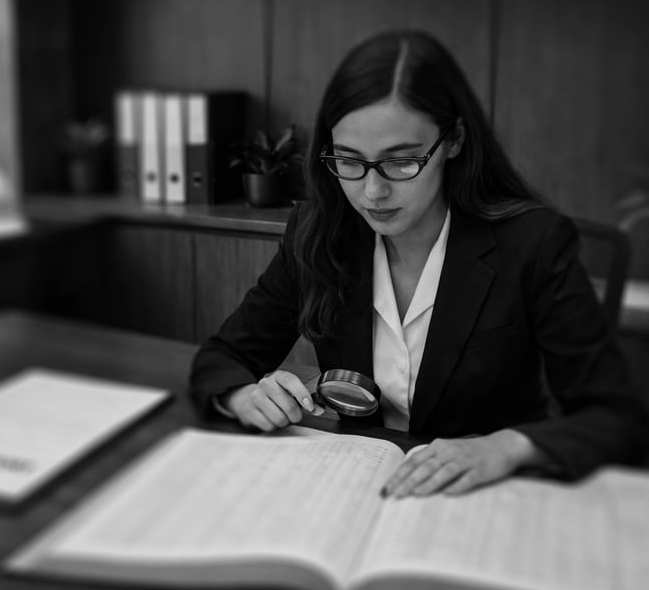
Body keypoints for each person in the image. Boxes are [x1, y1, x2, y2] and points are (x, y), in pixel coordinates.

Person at [189, 30, 648, 498]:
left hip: (485, 496)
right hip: (356, 484)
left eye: (402, 161)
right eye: (349, 160)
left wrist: (507, 448)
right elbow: (222, 358)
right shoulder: (319, 230)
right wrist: (243, 397)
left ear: (454, 142)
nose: (372, 193)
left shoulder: (533, 243)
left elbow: (613, 417)